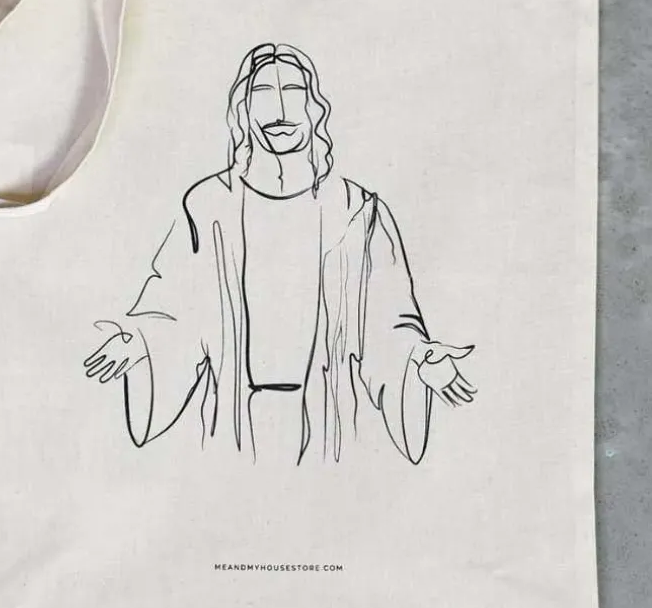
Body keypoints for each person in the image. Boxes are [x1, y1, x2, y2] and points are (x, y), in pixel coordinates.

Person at [84, 42, 476, 464]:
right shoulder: (209, 206)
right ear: (242, 110)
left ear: (315, 108)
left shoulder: (358, 212)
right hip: (232, 426)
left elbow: (388, 320)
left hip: (330, 425)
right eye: (262, 93)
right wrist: (141, 342)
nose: (281, 110)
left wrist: (418, 359)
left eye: (293, 91)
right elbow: (172, 310)